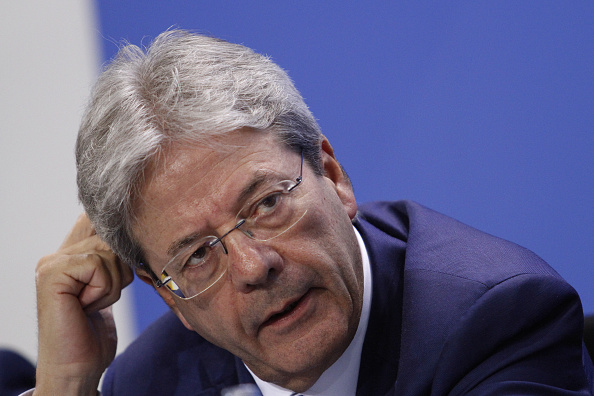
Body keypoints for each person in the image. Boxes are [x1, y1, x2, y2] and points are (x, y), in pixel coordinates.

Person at [31, 29, 594, 395]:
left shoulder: (497, 324)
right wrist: (66, 385)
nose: (253, 266)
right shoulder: (153, 382)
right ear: (168, 296)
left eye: (268, 203)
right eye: (198, 254)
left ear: (334, 176)